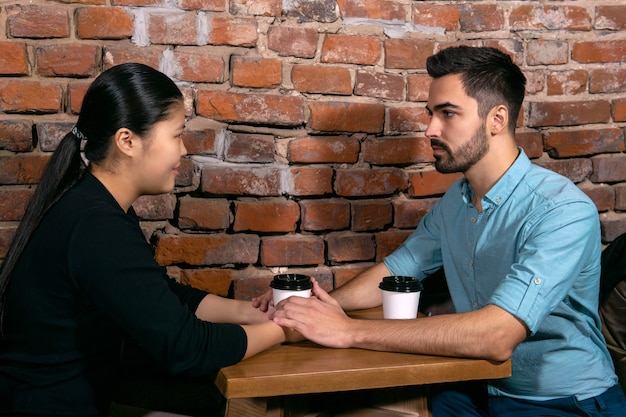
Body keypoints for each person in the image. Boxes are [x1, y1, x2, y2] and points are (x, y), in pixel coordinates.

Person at [255, 46, 626, 416]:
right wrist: (317, 308)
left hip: (562, 402)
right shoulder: (458, 198)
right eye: (431, 114)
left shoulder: (562, 210)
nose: (430, 128)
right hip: (472, 388)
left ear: (496, 119)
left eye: (448, 113)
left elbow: (496, 337)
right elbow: (398, 269)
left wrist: (347, 330)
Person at [0, 63, 295, 416]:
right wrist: (287, 329)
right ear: (127, 141)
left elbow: (155, 292)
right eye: (176, 135)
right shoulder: (96, 224)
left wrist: (244, 311)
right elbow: (187, 348)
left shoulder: (94, 203)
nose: (183, 150)